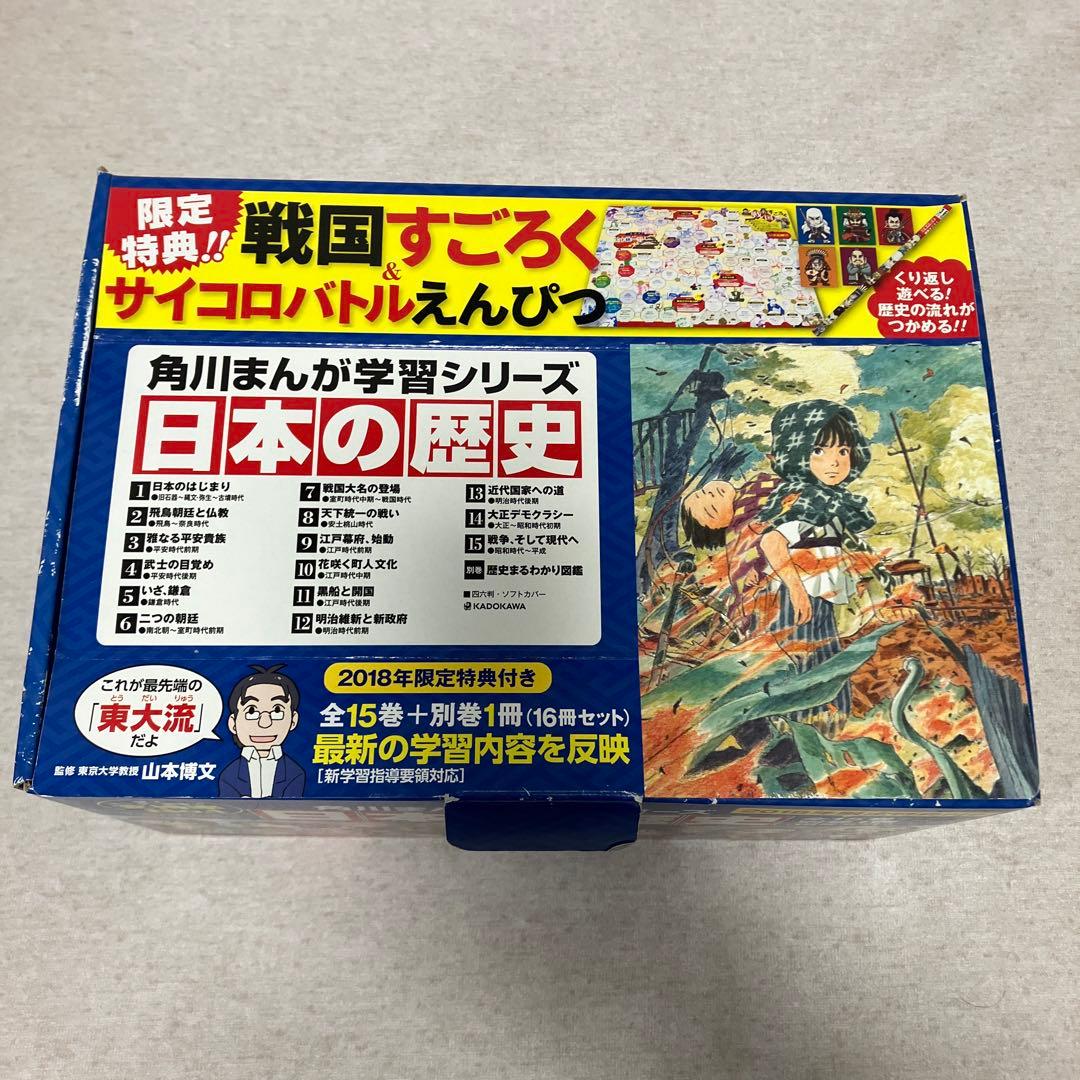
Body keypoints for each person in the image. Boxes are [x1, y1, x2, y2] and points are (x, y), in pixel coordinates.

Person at [218, 665, 307, 798]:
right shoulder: (229, 774)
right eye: (251, 711)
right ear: (233, 723)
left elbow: (292, 804)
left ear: (293, 720)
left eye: (277, 711)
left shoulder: (295, 772)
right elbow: (227, 806)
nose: (264, 723)